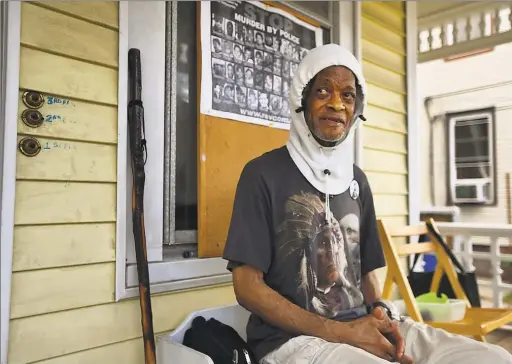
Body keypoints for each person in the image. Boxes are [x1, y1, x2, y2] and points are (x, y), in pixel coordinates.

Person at [222, 43, 512, 364]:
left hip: (365, 326)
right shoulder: (262, 174)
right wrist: (340, 332)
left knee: (494, 357)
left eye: (348, 95)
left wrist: (381, 314)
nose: (337, 103)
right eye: (322, 91)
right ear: (300, 101)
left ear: (358, 107)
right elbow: (246, 287)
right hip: (294, 341)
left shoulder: (356, 179)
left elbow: (366, 277)